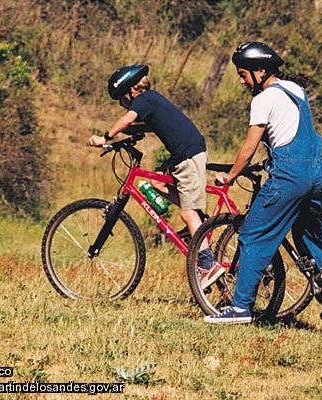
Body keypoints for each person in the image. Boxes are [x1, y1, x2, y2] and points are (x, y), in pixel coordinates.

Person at [204, 42, 322, 324]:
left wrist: (230, 176)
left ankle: (240, 308)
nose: (240, 80)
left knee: (252, 235)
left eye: (243, 74)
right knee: (308, 235)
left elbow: (248, 148)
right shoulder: (296, 90)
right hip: (317, 172)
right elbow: (289, 132)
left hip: (290, 177)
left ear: (260, 71)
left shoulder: (262, 99)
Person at [88, 64, 224, 287]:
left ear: (130, 91)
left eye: (121, 100)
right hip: (184, 153)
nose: (123, 105)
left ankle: (208, 265)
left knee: (187, 214)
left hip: (188, 155)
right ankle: (199, 222)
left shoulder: (143, 99)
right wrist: (127, 133)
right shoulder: (152, 101)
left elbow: (128, 119)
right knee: (157, 180)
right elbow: (151, 125)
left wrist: (106, 137)